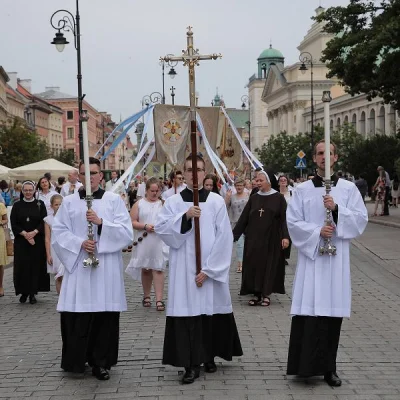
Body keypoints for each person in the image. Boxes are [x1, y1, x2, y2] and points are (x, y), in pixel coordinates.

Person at [286, 140, 368, 387]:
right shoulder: (301, 190)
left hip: (336, 262)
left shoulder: (348, 189)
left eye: (328, 153)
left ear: (336, 157)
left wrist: (337, 210)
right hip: (312, 262)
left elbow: (361, 220)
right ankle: (306, 367)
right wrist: (316, 232)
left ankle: (330, 368)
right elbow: (293, 223)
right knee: (310, 313)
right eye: (320, 154)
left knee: (332, 313)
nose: (324, 157)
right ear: (314, 158)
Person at [155, 154, 243, 384]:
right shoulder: (174, 202)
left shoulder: (215, 201)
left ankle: (209, 355)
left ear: (206, 173)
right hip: (184, 268)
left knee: (210, 312)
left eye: (200, 169)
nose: (195, 174)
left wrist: (210, 269)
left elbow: (225, 236)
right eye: (190, 170)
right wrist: (184, 217)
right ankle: (190, 363)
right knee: (188, 313)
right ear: (183, 173)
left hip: (210, 269)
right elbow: (163, 229)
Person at [52, 157, 133, 380]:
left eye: (94, 173)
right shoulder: (68, 203)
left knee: (103, 314)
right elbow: (58, 233)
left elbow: (126, 233)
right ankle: (76, 360)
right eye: (85, 173)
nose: (91, 177)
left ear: (101, 175)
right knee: (79, 314)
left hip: (105, 268)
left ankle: (101, 362)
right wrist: (79, 243)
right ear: (79, 176)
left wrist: (101, 224)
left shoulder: (113, 200)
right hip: (79, 266)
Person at [233, 170, 289, 306]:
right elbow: (243, 219)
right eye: (256, 181)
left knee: (268, 265)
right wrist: (233, 236)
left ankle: (266, 294)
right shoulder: (254, 198)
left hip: (272, 239)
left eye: (260, 180)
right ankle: (256, 294)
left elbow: (284, 220)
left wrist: (285, 237)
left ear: (269, 182)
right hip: (253, 238)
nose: (257, 183)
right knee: (254, 265)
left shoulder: (278, 198)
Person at [126, 177, 167, 311]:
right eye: (152, 191)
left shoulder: (164, 204)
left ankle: (159, 299)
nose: (155, 193)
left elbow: (169, 221)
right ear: (147, 190)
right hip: (144, 239)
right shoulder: (139, 204)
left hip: (159, 240)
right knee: (146, 268)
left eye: (157, 190)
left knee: (158, 268)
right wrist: (144, 226)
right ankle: (147, 295)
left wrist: (161, 227)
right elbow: (132, 221)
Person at [10, 181, 49, 304]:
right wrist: (25, 234)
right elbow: (14, 223)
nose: (28, 192)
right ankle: (23, 292)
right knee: (22, 267)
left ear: (34, 191)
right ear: (22, 191)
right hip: (21, 241)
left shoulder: (40, 204)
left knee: (35, 266)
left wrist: (34, 232)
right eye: (25, 190)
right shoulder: (17, 205)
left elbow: (44, 221)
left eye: (30, 190)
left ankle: (32, 293)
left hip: (36, 241)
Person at [226, 178, 249, 273]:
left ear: (244, 186)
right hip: (236, 223)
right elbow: (225, 207)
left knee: (247, 244)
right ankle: (240, 264)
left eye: (241, 185)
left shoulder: (249, 195)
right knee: (239, 244)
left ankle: (248, 263)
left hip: (248, 223)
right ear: (235, 186)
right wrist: (227, 198)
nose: (239, 187)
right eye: (237, 185)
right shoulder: (232, 196)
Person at [44, 194, 64, 294]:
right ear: (52, 206)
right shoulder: (48, 220)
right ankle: (61, 298)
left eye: (61, 204)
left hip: (66, 248)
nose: (59, 207)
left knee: (68, 275)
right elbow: (47, 238)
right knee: (59, 276)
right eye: (56, 205)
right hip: (55, 250)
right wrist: (48, 255)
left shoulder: (67, 218)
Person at [278, 175, 292, 265]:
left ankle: (285, 256)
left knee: (288, 236)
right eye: (281, 180)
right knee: (279, 236)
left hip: (289, 218)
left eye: (284, 180)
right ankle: (279, 255)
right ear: (278, 182)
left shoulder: (291, 193)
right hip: (278, 218)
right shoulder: (275, 193)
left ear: (287, 182)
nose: (283, 181)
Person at [0, 201, 8, 297]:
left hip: (0, 234)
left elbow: (6, 220)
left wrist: (1, 222)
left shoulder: (0, 205)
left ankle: (0, 286)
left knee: (0, 262)